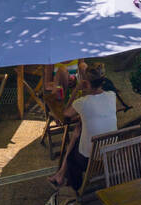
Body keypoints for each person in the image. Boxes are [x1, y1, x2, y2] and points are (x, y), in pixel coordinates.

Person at [48, 63, 118, 191]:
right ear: (102, 81)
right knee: (77, 134)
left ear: (86, 83)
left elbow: (65, 113)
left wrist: (76, 89)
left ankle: (76, 190)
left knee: (71, 156)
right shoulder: (112, 96)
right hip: (111, 155)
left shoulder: (82, 102)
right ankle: (60, 176)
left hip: (91, 161)